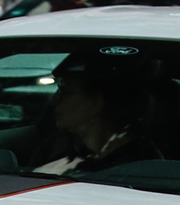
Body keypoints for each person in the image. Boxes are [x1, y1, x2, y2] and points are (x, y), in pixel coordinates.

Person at [33, 57, 164, 176]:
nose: (54, 101)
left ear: (96, 103)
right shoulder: (54, 149)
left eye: (65, 92)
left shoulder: (142, 164)